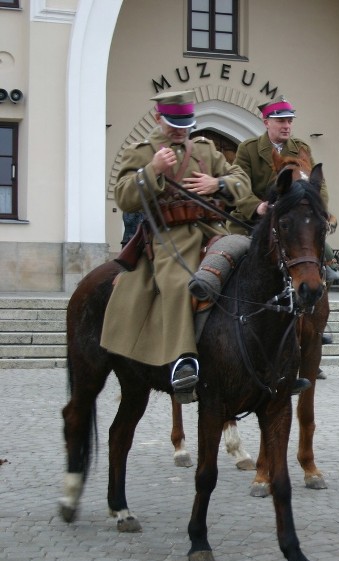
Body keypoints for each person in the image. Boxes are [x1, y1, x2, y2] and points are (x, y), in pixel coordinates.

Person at [100, 90, 258, 403]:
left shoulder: (205, 149)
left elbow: (241, 178)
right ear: (159, 118)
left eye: (185, 123)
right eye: (173, 123)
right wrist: (152, 170)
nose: (180, 130)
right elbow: (124, 196)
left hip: (212, 229)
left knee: (252, 268)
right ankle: (183, 361)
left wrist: (218, 184)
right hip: (166, 236)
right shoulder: (142, 152)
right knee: (177, 283)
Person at [229, 96, 337, 378]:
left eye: (289, 120)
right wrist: (257, 206)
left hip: (294, 223)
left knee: (319, 258)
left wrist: (320, 210)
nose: (287, 125)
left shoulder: (301, 148)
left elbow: (318, 183)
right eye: (281, 120)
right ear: (267, 123)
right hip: (258, 223)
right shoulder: (249, 149)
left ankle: (314, 327)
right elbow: (239, 182)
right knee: (236, 259)